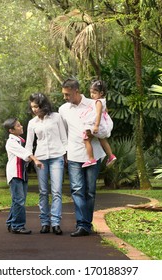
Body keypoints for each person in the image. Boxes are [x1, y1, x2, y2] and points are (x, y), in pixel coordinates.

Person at [59, 78, 105, 237]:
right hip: (73, 154)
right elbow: (63, 133)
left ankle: (86, 223)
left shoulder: (94, 104)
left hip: (93, 154)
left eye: (67, 94)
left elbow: (107, 127)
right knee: (77, 190)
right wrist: (64, 151)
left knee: (90, 191)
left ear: (76, 91)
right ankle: (82, 224)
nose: (65, 97)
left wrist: (95, 132)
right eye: (64, 94)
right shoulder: (63, 110)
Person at [25, 93, 67, 235]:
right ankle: (44, 222)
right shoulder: (32, 123)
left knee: (56, 191)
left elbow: (64, 138)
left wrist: (65, 154)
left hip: (57, 156)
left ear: (43, 105)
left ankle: (56, 223)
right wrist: (32, 159)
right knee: (43, 191)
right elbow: (29, 145)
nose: (34, 109)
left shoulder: (56, 117)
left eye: (36, 106)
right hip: (41, 158)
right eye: (32, 107)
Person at [3, 117, 44, 234]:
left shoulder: (20, 140)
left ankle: (11, 222)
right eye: (18, 126)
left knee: (18, 200)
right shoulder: (11, 142)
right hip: (15, 174)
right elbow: (24, 153)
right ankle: (18, 225)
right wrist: (35, 159)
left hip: (22, 173)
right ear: (11, 130)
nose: (21, 127)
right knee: (19, 200)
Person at [81, 80, 116, 168]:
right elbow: (106, 111)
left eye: (94, 93)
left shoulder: (98, 102)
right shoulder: (103, 101)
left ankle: (91, 158)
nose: (92, 95)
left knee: (86, 139)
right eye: (91, 92)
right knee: (102, 139)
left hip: (98, 125)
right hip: (103, 125)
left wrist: (96, 126)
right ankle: (111, 156)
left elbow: (98, 114)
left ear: (101, 93)